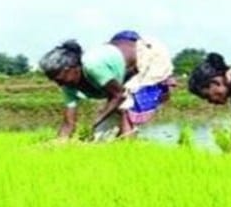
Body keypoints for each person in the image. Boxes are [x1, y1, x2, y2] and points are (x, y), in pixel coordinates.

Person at [39, 31, 176, 140]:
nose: (58, 83)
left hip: (148, 56)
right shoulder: (68, 86)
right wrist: (59, 143)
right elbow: (68, 123)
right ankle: (121, 147)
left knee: (125, 108)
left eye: (59, 78)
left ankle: (128, 150)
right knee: (101, 138)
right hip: (123, 76)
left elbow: (119, 95)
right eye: (53, 80)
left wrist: (95, 121)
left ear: (72, 68)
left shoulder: (93, 66)